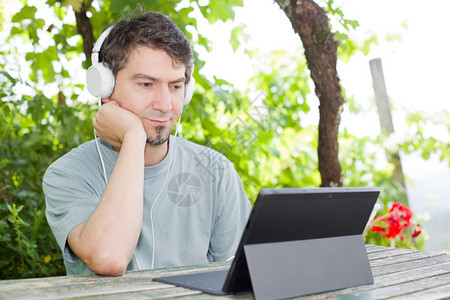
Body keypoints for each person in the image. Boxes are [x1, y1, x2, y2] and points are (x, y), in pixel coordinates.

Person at [42, 10, 251, 276]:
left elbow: (243, 276)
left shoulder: (216, 171)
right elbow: (108, 258)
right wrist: (133, 138)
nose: (164, 105)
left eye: (175, 86)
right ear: (104, 87)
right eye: (146, 84)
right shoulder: (68, 173)